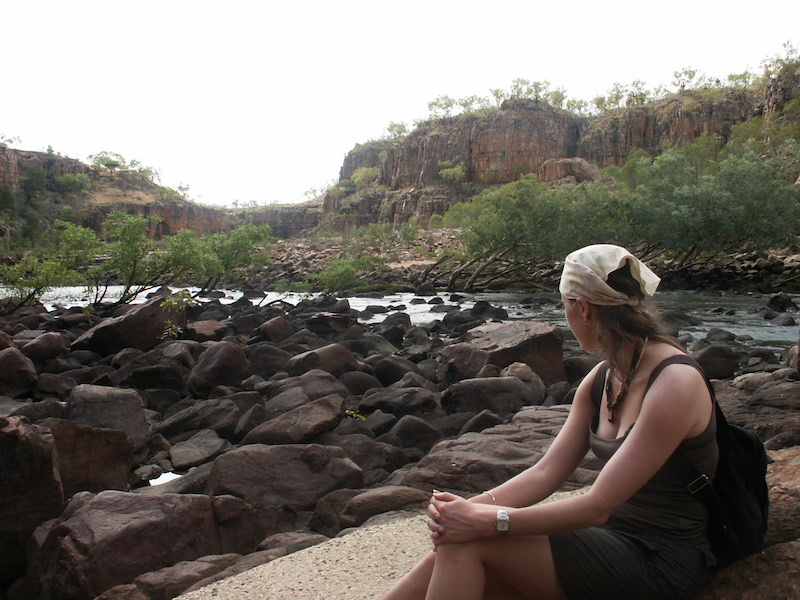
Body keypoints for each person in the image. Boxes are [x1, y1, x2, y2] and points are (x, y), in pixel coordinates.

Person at [380, 244, 718, 600]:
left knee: (473, 541)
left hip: (662, 559)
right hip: (611, 542)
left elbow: (598, 506)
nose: (566, 316)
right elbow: (545, 473)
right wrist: (464, 511)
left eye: (565, 305)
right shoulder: (603, 376)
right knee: (461, 537)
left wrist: (486, 521)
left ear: (584, 309)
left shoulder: (674, 383)